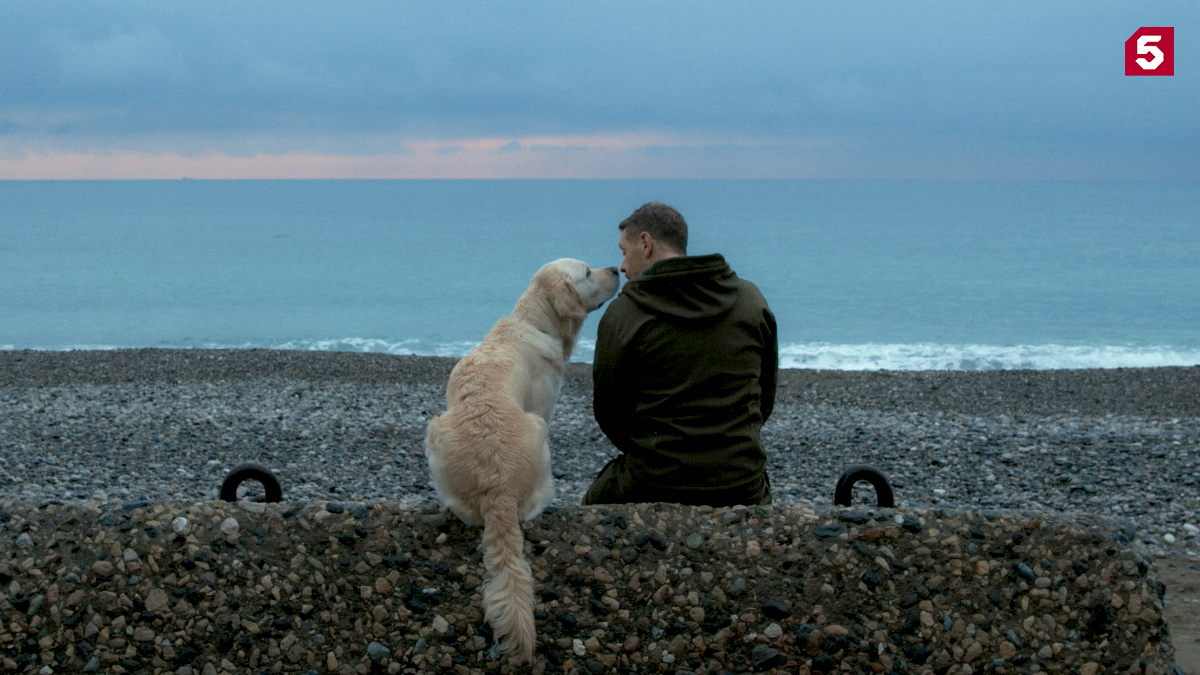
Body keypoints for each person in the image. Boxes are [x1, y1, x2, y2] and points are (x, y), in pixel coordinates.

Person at [583, 202, 777, 507]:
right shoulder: (750, 300)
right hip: (741, 483)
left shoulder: (625, 313)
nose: (621, 267)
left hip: (653, 481)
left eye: (624, 251)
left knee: (593, 513)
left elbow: (609, 411)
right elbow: (764, 397)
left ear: (645, 243)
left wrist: (655, 451)